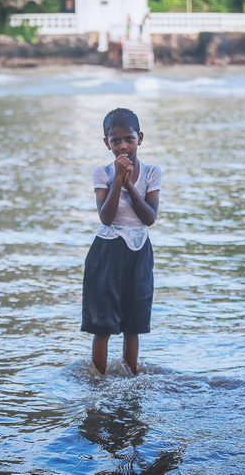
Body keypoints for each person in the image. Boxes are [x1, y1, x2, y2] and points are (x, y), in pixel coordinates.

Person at [82, 108, 161, 375]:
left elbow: (149, 218)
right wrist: (118, 179)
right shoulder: (102, 173)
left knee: (133, 324)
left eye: (128, 139)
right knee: (102, 325)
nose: (123, 146)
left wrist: (129, 185)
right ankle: (98, 383)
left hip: (139, 253)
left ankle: (131, 380)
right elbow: (105, 217)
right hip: (107, 252)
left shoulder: (151, 173)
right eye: (115, 141)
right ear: (107, 143)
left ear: (139, 138)